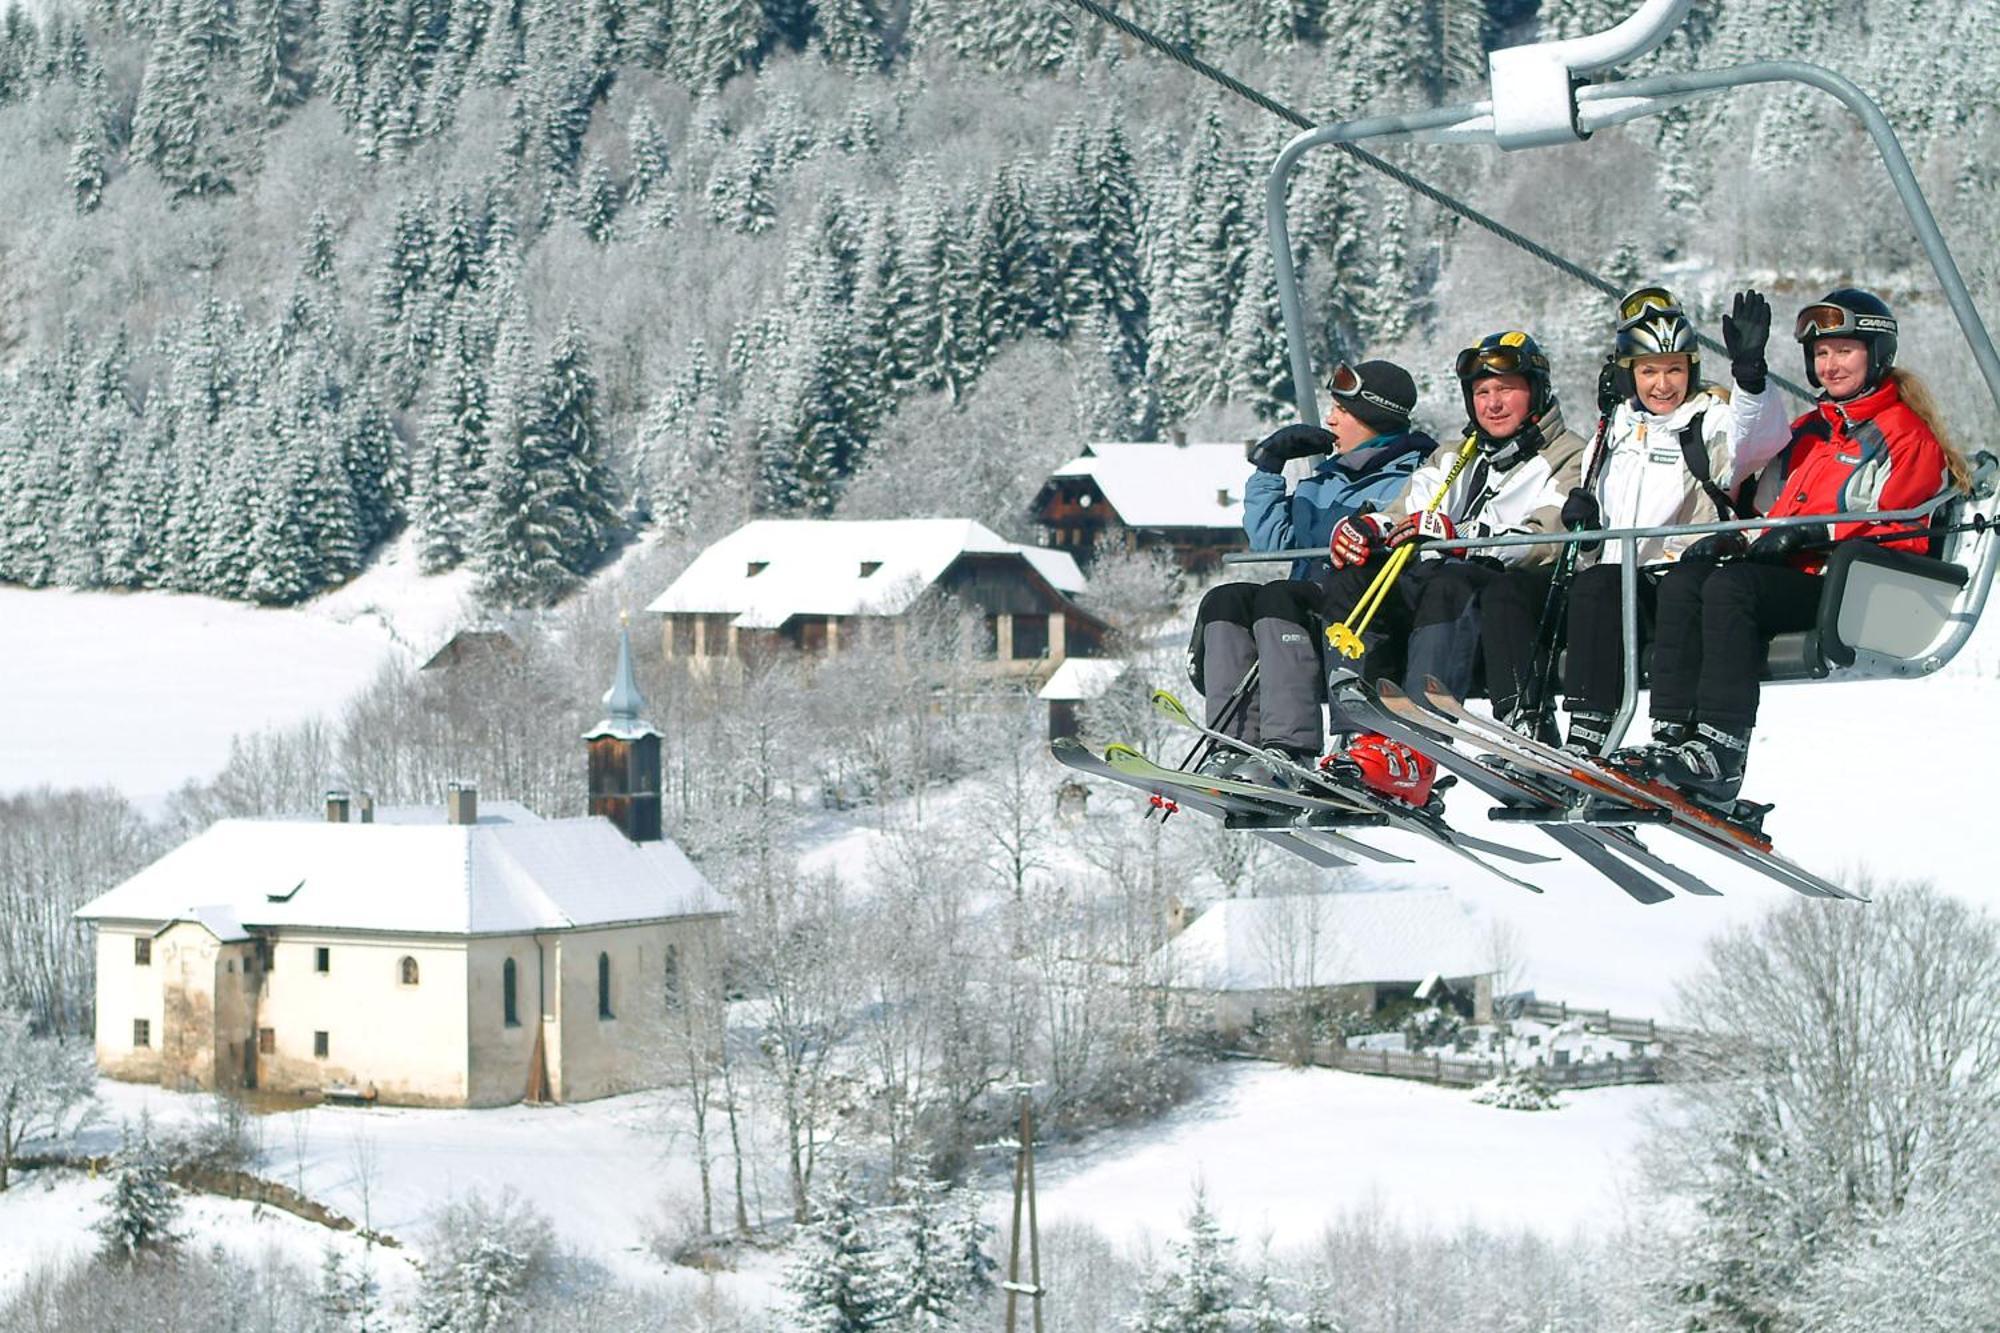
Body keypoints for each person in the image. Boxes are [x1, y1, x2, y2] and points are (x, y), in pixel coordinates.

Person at [1619, 288, 1971, 804]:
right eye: (1821, 354)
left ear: (1877, 354)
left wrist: (1816, 533)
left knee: (1732, 588)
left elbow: (1903, 527)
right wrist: (1732, 538)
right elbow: (1765, 508)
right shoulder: (1811, 430)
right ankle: (1673, 735)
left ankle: (1722, 749)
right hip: (1790, 578)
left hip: (1850, 589)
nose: (1831, 365)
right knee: (1688, 581)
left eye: (1844, 351)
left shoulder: (1904, 435)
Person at [1475, 285, 1792, 756]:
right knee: (1508, 592)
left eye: (1673, 371)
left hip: (1667, 587)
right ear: (1629, 374)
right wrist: (1582, 531)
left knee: (1601, 586)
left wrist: (1750, 381)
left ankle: (1591, 734)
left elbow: (1758, 443)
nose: (1662, 385)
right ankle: (1526, 721)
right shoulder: (1613, 428)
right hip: (1602, 590)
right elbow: (1592, 550)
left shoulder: (1708, 420)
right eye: (1648, 372)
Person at [1314, 330, 1589, 792]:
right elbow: (1404, 511)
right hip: (1439, 591)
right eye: (1482, 393)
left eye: (1506, 390)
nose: (1493, 404)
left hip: (1508, 598)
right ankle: (1359, 738)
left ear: (1536, 393)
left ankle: (1418, 747)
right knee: (1351, 578)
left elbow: (1548, 539)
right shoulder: (1455, 455)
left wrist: (1464, 539)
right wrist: (1368, 528)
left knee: (1452, 581)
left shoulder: (1568, 456)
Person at [1186, 360, 1435, 770]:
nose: (1331, 419)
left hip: (1363, 615)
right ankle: (1233, 746)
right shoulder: (1324, 480)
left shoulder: (1414, 478)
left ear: (1374, 417)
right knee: (1226, 600)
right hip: (1303, 610)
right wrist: (1268, 468)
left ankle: (1290, 747)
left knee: (1281, 598)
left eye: (1344, 411)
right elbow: (1271, 541)